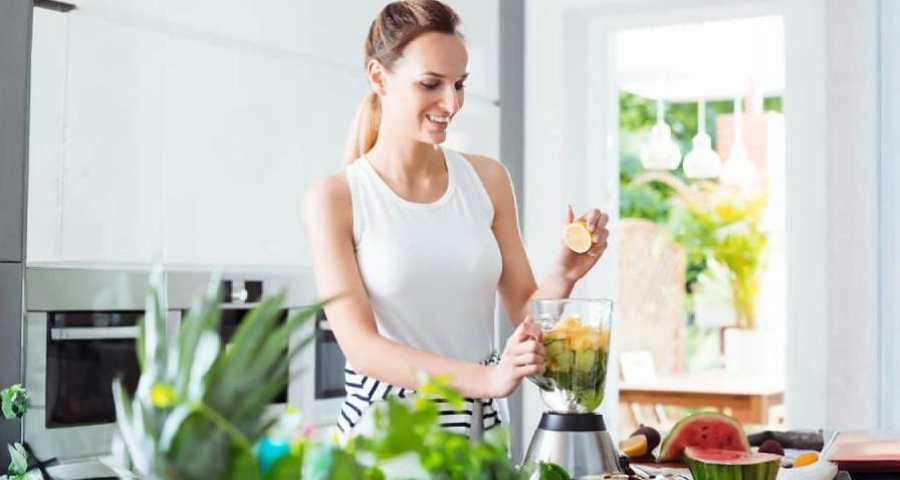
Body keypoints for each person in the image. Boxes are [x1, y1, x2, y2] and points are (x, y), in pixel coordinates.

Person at [303, 0, 609, 443]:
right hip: (387, 437)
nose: (450, 103)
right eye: (431, 84)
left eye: (459, 84)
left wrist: (564, 273)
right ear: (378, 77)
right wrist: (487, 381)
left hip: (478, 431)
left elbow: (525, 311)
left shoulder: (487, 179)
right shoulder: (336, 197)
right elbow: (362, 348)